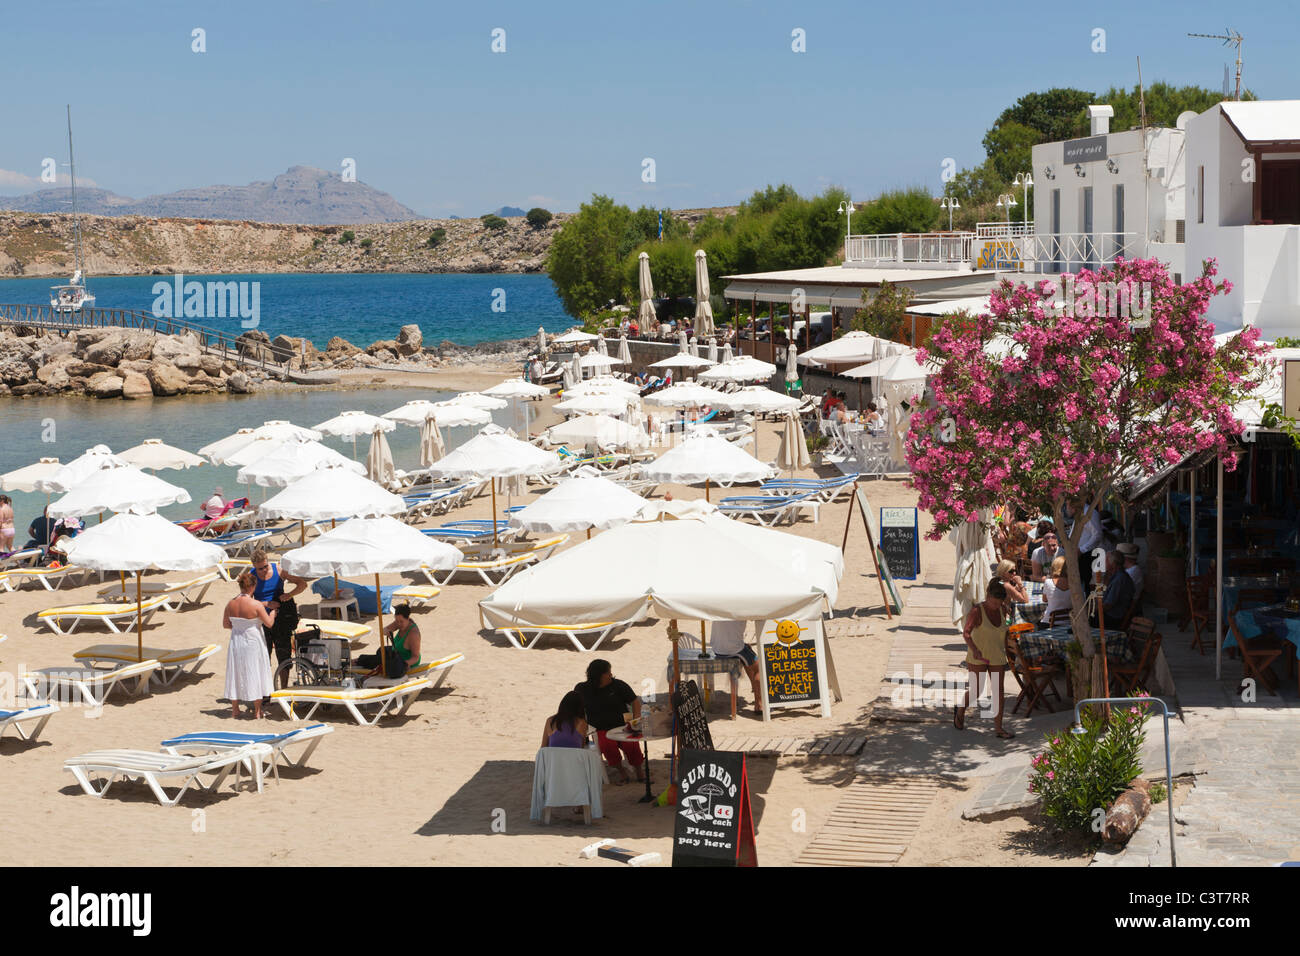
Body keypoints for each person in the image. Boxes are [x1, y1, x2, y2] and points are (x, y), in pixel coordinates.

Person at [955, 579, 1013, 739]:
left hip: (997, 656)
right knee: (976, 690)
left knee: (998, 693)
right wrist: (974, 650)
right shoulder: (977, 610)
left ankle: (999, 728)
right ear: (987, 596)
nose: (995, 606)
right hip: (977, 656)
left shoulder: (1003, 609)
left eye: (998, 603)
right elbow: (966, 633)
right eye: (993, 602)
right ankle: (960, 710)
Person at [574, 659, 644, 783]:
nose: (611, 675)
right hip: (600, 729)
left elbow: (634, 701)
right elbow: (577, 709)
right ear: (597, 675)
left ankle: (639, 771)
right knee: (607, 746)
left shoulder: (618, 685)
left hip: (622, 726)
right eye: (607, 672)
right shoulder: (582, 689)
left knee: (631, 745)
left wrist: (636, 717)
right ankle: (622, 772)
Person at [247, 548, 308, 688]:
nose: (263, 571)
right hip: (261, 620)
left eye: (265, 566)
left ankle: (284, 689)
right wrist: (266, 604)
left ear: (268, 561)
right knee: (263, 657)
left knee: (284, 654)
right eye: (259, 569)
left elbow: (302, 584)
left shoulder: (279, 570)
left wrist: (289, 595)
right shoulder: (250, 577)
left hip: (281, 619)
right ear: (254, 567)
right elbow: (246, 601)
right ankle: (266, 692)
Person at [222, 571, 277, 719]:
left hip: (236, 641)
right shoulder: (256, 604)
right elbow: (269, 624)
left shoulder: (231, 603)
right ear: (252, 587)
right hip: (253, 641)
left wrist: (239, 626)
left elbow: (226, 625)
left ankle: (235, 709)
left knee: (235, 671)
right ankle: (257, 711)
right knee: (255, 671)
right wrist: (272, 613)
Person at [711, 620, 763, 715]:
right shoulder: (741, 607)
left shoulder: (717, 605)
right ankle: (759, 705)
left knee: (747, 652)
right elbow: (757, 616)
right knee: (759, 669)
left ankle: (754, 687)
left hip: (717, 648)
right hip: (734, 649)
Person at [356, 603, 420, 679]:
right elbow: (383, 630)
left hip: (405, 661)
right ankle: (356, 661)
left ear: (408, 618)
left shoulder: (413, 634)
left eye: (401, 621)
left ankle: (355, 662)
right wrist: (387, 631)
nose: (398, 624)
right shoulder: (399, 622)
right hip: (396, 654)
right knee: (380, 652)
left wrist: (406, 664)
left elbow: (416, 657)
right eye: (397, 621)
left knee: (376, 660)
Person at [1091, 550, 1135, 630]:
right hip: (1109, 614)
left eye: (1105, 561)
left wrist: (1091, 610)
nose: (1103, 563)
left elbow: (1108, 605)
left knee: (1084, 620)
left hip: (1113, 617)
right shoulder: (1114, 576)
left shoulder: (1120, 578)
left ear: (1113, 564)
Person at [1040, 557, 1072, 627]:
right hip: (1069, 623)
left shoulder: (1048, 582)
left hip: (1049, 623)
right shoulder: (1075, 585)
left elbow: (1044, 599)